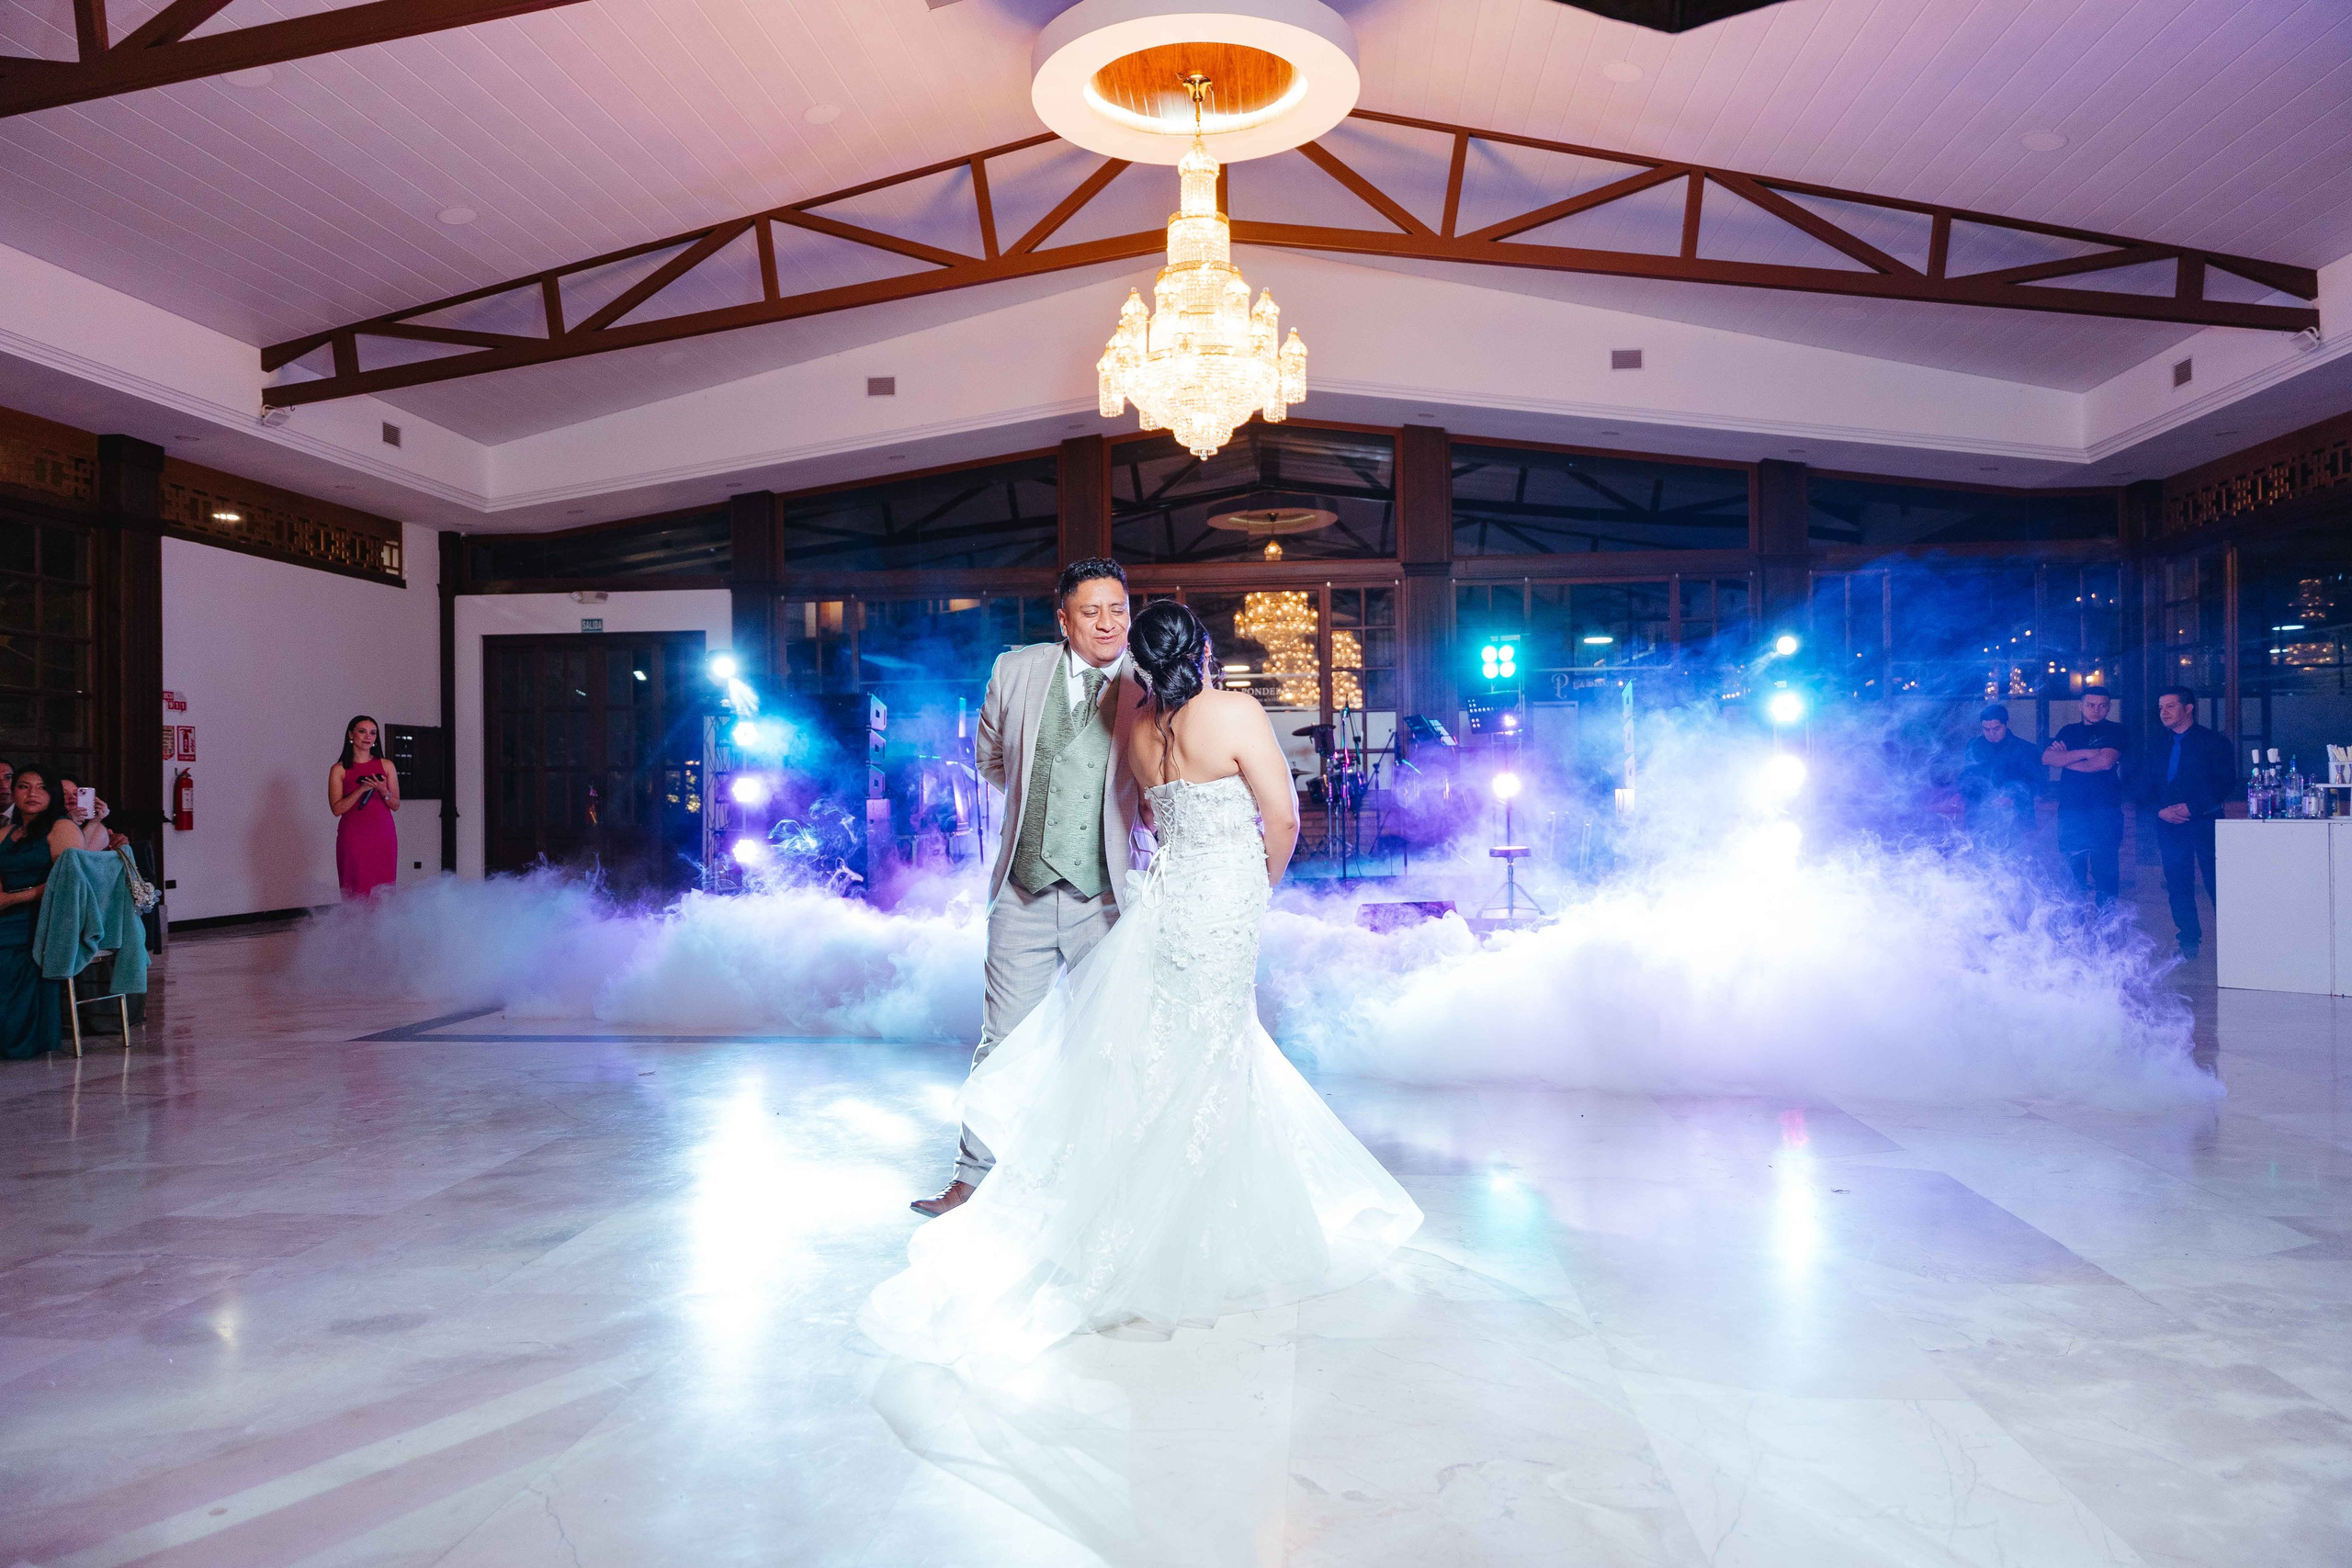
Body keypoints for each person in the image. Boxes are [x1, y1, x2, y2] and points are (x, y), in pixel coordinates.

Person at [863, 601, 1421, 1363]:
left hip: (1166, 896)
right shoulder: (1234, 711)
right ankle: (1196, 1233)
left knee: (1172, 1047)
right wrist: (1259, 882)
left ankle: (1155, 1212)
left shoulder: (1137, 726)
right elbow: (1284, 819)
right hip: (1223, 895)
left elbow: (1154, 824)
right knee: (1215, 1048)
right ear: (1203, 650)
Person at [910, 558, 1146, 1217]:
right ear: (1064, 619)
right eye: (1092, 612)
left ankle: (1106, 1186)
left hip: (1107, 896)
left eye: (1119, 610)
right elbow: (991, 759)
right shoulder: (1015, 670)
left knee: (1110, 1043)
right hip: (1023, 890)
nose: (1109, 623)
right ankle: (974, 1179)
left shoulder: (1148, 680)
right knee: (1003, 1042)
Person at [0, 766, 89, 1059]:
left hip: (46, 915)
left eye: (41, 787)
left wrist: (12, 899)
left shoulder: (62, 828)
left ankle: (15, 1038)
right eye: (24, 786)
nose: (32, 794)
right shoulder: (5, 833)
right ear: (14, 793)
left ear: (52, 794)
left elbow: (67, 883)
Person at [2144, 685, 2234, 959]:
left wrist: (2192, 807)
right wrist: (2159, 811)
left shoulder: (2214, 742)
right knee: (2177, 882)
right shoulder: (2157, 744)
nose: (2163, 712)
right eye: (2161, 707)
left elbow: (2224, 782)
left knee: (2217, 881)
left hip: (2205, 820)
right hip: (2168, 821)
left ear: (2188, 708)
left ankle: (2232, 942)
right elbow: (2143, 784)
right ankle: (2188, 941)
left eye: (2170, 706)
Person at [2042, 689, 2129, 903]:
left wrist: (2066, 759)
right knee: (2072, 871)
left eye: (2102, 705)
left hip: (2105, 810)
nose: (2096, 710)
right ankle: (2075, 920)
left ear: (2109, 707)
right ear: (2080, 706)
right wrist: (2086, 753)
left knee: (2106, 870)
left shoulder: (2116, 731)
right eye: (2090, 705)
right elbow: (2048, 758)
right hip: (2071, 810)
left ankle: (2107, 920)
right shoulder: (2068, 730)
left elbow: (2104, 763)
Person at [328, 715, 401, 900]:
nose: (368, 737)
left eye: (373, 733)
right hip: (353, 836)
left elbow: (395, 805)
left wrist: (383, 790)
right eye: (362, 731)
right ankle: (355, 920)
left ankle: (384, 920)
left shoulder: (387, 765)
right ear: (351, 734)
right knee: (355, 885)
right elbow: (337, 809)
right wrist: (361, 789)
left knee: (383, 887)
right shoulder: (339, 769)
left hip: (383, 834)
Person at [1959, 703, 2042, 851]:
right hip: (1980, 815)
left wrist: (2013, 799)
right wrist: (1964, 794)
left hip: (2016, 816)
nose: (1991, 733)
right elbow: (1967, 776)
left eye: (1996, 729)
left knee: (2016, 857)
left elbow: (2037, 783)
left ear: (2006, 724)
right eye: (1986, 729)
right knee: (1979, 857)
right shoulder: (1974, 746)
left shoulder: (2025, 749)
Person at [54, 774, 129, 853]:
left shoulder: (97, 827)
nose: (71, 797)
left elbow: (78, 856)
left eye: (76, 793)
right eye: (64, 793)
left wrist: (94, 822)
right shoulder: (51, 827)